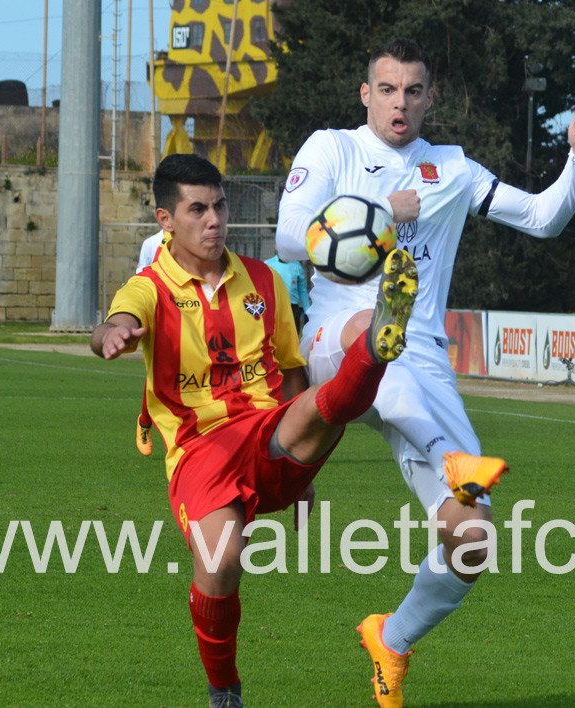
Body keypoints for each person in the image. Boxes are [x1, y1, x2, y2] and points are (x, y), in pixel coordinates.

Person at [275, 39, 575, 707]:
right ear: (366, 94)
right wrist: (378, 219)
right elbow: (288, 236)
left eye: (413, 91)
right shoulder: (331, 149)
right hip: (334, 339)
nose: (400, 102)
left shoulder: (450, 170)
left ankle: (391, 640)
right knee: (377, 338)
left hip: (417, 358)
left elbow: (542, 219)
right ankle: (450, 454)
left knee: (473, 535)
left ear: (430, 99)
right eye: (388, 89)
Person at [91, 153, 420, 708]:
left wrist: (305, 473)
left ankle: (375, 345)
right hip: (200, 452)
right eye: (197, 209)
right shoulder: (149, 287)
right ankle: (224, 688)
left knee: (322, 402)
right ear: (165, 220)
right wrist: (111, 335)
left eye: (220, 205)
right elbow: (121, 317)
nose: (214, 219)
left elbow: (291, 373)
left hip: (268, 430)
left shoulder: (264, 281)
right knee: (219, 565)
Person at [134, 228, 166, 456]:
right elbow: (141, 277)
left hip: (194, 311)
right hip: (161, 312)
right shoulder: (152, 243)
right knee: (159, 369)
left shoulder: (196, 239)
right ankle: (145, 422)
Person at [263, 254, 310, 333]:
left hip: (292, 306)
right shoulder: (268, 264)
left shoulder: (296, 265)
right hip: (274, 305)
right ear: (276, 246)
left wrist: (307, 310)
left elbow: (302, 290)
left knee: (293, 335)